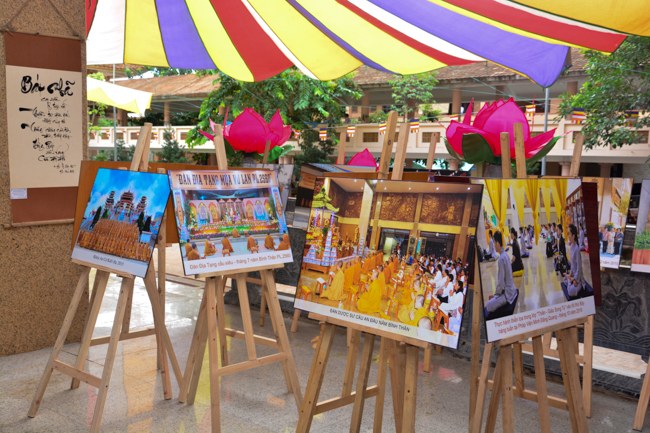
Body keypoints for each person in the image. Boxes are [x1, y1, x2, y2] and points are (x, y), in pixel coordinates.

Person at [486, 231, 517, 313]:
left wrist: (496, 295)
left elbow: (501, 283)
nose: (493, 246)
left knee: (488, 306)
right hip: (512, 290)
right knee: (493, 298)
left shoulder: (501, 259)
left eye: (494, 243)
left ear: (497, 243)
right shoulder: (506, 254)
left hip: (507, 295)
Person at [564, 224, 586, 298]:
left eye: (569, 234)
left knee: (570, 292)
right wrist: (570, 274)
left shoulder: (577, 249)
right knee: (564, 279)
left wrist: (575, 280)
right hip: (573, 275)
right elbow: (573, 264)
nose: (568, 236)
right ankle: (569, 280)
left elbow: (579, 268)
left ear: (573, 236)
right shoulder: (572, 246)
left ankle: (570, 282)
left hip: (578, 278)